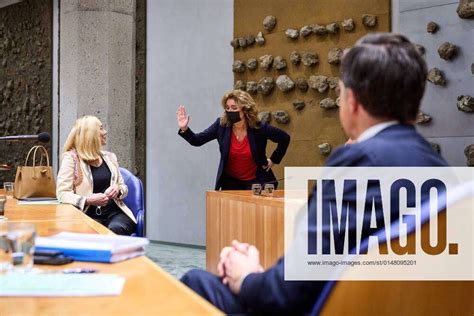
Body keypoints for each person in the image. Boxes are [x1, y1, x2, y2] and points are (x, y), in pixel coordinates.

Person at [180, 33, 448, 314]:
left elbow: (289, 292)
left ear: (352, 101)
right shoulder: (440, 171)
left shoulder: (357, 165)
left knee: (197, 281)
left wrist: (246, 276)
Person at [176, 90, 290, 190]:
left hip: (256, 182)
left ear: (245, 110)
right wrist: (184, 128)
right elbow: (197, 140)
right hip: (231, 183)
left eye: (234, 108)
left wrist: (274, 159)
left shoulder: (259, 128)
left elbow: (284, 138)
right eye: (227, 107)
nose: (230, 111)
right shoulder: (221, 126)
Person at [57, 116, 136, 235]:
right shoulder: (72, 159)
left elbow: (123, 187)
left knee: (115, 229)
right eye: (101, 128)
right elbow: (62, 194)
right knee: (92, 232)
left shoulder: (110, 157)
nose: (105, 132)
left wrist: (118, 189)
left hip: (114, 214)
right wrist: (88, 200)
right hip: (86, 216)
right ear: (91, 134)